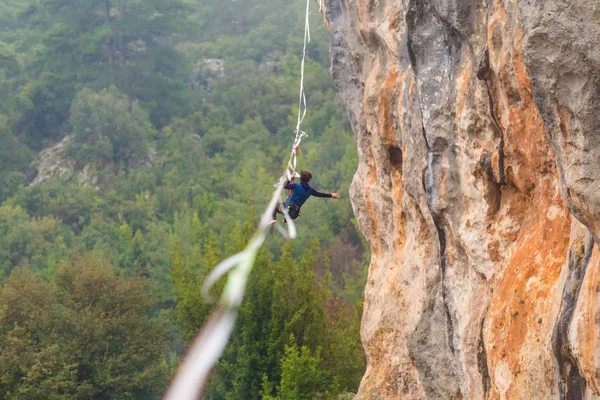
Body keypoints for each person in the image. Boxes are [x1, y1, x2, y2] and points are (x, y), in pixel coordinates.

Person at [270, 169, 339, 225]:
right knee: (289, 202)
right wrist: (331, 195)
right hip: (295, 214)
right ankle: (286, 218)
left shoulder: (296, 186)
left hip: (287, 208)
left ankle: (274, 219)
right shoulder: (310, 190)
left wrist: (290, 178)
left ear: (300, 178)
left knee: (275, 205)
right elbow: (320, 194)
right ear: (308, 180)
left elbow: (285, 185)